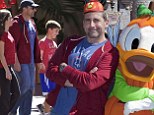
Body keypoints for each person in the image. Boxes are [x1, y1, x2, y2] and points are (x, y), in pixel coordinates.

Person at [46, 0, 119, 115]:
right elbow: (50, 70)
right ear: (83, 23)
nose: (91, 25)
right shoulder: (70, 43)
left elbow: (90, 83)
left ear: (106, 22)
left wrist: (65, 69)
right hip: (58, 110)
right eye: (87, 20)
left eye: (96, 20)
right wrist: (69, 81)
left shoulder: (110, 53)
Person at [9, 0, 42, 114]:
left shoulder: (32, 23)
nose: (35, 10)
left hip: (31, 62)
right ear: (24, 9)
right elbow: (12, 44)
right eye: (32, 8)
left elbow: (36, 43)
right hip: (21, 62)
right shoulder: (15, 23)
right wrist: (15, 61)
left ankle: (25, 113)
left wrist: (38, 61)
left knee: (30, 90)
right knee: (24, 87)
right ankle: (11, 111)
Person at [37, 20, 61, 114]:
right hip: (46, 73)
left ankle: (43, 107)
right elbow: (39, 57)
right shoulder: (43, 42)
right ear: (49, 30)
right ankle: (46, 112)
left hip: (53, 73)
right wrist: (41, 64)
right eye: (56, 31)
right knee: (49, 94)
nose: (57, 33)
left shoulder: (54, 43)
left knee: (53, 93)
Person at [0, 9, 20, 115]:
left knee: (16, 93)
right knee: (5, 97)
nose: (12, 19)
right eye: (10, 17)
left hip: (9, 67)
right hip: (3, 69)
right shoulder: (2, 35)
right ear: (5, 20)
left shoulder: (8, 33)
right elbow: (1, 55)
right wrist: (7, 71)